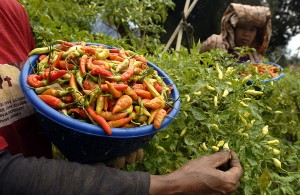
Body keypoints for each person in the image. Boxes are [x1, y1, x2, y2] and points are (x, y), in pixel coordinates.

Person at [0, 0, 243, 194]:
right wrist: (173, 184)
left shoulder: (11, 13)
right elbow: (5, 175)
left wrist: (78, 148)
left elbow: (38, 105)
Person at [200, 3, 272, 62]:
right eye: (242, 28)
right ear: (232, 29)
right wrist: (206, 47)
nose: (247, 34)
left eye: (252, 30)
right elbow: (200, 60)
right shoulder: (219, 45)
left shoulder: (255, 55)